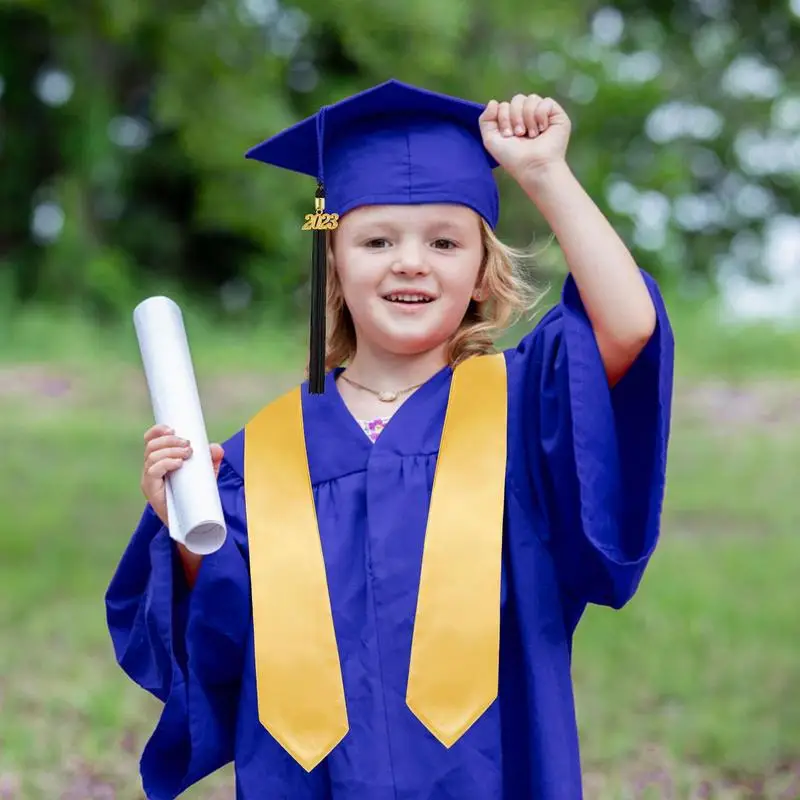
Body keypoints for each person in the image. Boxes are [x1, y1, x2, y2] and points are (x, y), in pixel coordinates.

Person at [106, 79, 674, 799]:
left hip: (488, 773)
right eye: (377, 240)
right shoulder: (268, 450)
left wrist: (544, 175)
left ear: (480, 272)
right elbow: (221, 636)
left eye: (444, 240)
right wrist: (184, 526)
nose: (410, 261)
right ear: (334, 261)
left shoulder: (520, 406)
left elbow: (625, 326)